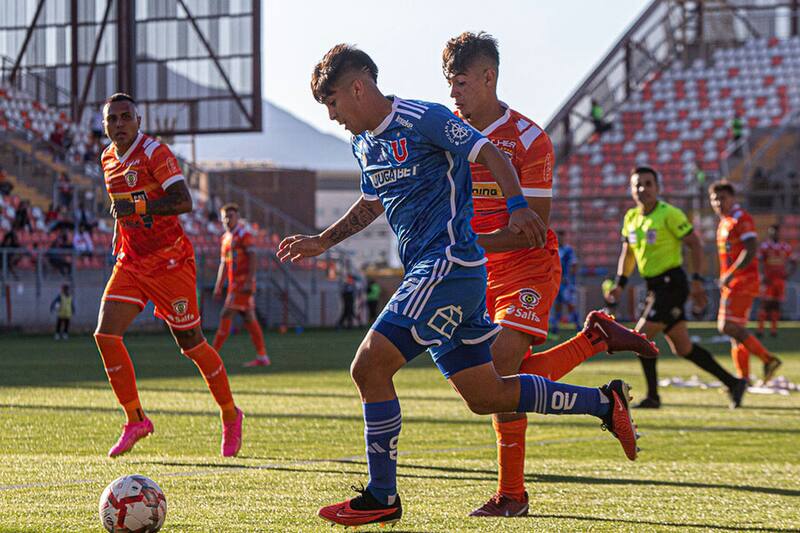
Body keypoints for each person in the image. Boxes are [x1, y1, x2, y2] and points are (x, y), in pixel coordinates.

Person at [280, 44, 642, 528]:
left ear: (357, 88)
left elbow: (487, 149)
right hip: (443, 274)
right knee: (487, 394)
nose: (332, 117)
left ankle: (382, 495)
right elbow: (372, 203)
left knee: (369, 367)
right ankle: (604, 402)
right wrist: (323, 241)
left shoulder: (423, 117)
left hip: (448, 264)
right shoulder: (363, 144)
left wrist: (516, 205)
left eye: (332, 104)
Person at [443, 32, 657, 517]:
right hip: (474, 276)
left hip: (526, 268)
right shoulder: (448, 134)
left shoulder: (528, 139)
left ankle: (514, 494)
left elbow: (532, 231)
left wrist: (465, 244)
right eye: (448, 84)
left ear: (488, 77)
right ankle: (594, 343)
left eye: (459, 83)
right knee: (488, 383)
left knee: (496, 375)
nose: (452, 94)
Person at [94, 92, 243, 458]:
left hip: (169, 261)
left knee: (191, 344)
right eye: (112, 119)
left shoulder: (155, 153)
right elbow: (121, 206)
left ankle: (229, 412)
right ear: (104, 125)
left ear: (138, 120)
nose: (119, 124)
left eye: (125, 116)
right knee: (105, 334)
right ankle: (136, 419)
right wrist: (121, 227)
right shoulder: (107, 159)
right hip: (131, 260)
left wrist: (140, 204)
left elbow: (183, 201)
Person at [608, 167, 747, 409]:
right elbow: (627, 254)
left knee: (642, 336)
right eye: (637, 184)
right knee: (683, 347)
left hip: (672, 284)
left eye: (648, 183)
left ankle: (653, 396)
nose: (643, 189)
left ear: (658, 188)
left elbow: (695, 244)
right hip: (654, 287)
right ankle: (734, 382)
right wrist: (620, 283)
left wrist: (696, 280)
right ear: (631, 189)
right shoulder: (631, 217)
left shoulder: (669, 214)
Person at [709, 182, 783, 383]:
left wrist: (731, 274)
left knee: (726, 326)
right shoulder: (725, 222)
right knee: (736, 332)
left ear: (732, 198)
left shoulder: (741, 218)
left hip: (743, 281)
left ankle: (768, 359)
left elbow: (750, 249)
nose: (718, 202)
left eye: (722, 198)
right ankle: (743, 379)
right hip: (735, 281)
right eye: (714, 199)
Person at [212, 203, 271, 368]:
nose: (228, 219)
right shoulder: (225, 238)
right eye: (225, 216)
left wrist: (249, 280)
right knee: (249, 318)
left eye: (231, 216)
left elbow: (253, 257)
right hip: (233, 284)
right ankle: (262, 356)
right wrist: (219, 285)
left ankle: (212, 355)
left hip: (243, 283)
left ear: (237, 217)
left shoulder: (244, 234)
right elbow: (224, 264)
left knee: (226, 314)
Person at [757, 224, 796, 339]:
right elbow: (759, 261)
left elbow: (794, 261)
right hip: (768, 280)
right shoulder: (765, 246)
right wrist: (762, 275)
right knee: (765, 304)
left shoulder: (785, 247)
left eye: (776, 231)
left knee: (776, 305)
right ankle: (760, 329)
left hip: (779, 281)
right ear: (769, 233)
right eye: (772, 231)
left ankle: (774, 330)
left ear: (779, 233)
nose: (774, 234)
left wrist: (788, 274)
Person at [550, 231, 581, 339]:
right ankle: (555, 327)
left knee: (570, 304)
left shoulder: (568, 250)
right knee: (557, 305)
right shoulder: (554, 249)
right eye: (559, 237)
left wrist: (570, 278)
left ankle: (578, 326)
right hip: (556, 282)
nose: (560, 240)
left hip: (566, 283)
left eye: (562, 237)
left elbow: (574, 265)